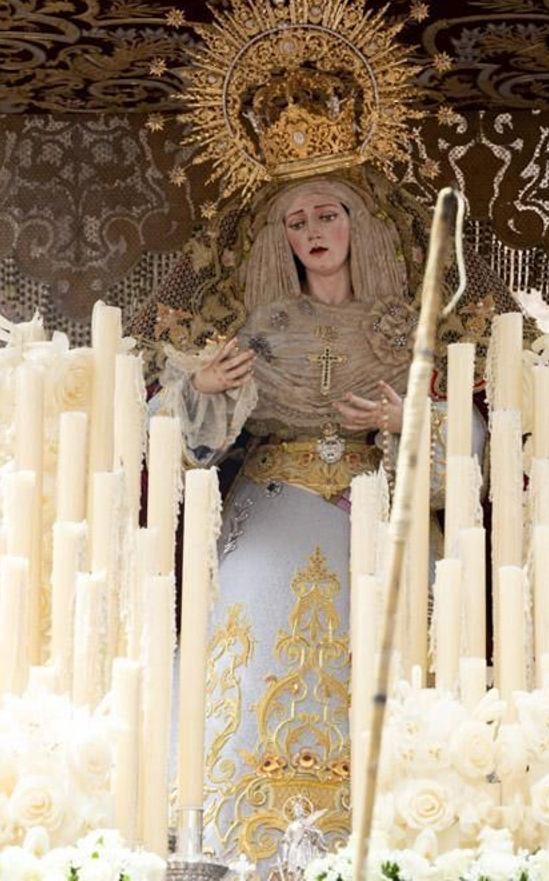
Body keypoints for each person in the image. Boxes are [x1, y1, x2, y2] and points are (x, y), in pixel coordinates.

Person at [153, 175, 423, 865]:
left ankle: (383, 833)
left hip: (370, 506)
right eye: (297, 223)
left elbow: (479, 433)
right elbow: (183, 431)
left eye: (327, 216)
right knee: (249, 619)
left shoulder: (404, 330)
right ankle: (238, 826)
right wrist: (204, 387)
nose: (313, 233)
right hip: (273, 498)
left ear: (358, 225)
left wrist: (407, 421)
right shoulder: (264, 328)